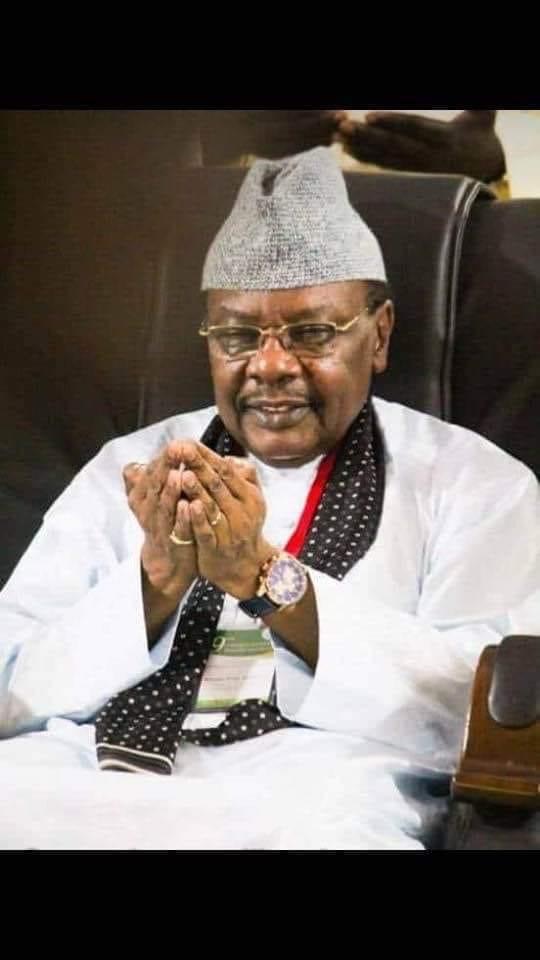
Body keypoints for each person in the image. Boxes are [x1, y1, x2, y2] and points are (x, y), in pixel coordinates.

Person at [0, 147, 538, 850]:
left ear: (378, 335)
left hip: (317, 782)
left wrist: (266, 579)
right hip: (90, 765)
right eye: (237, 335)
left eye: (312, 333)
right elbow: (11, 684)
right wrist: (153, 583)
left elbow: (487, 713)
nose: (271, 365)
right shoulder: (128, 468)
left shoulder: (472, 482)